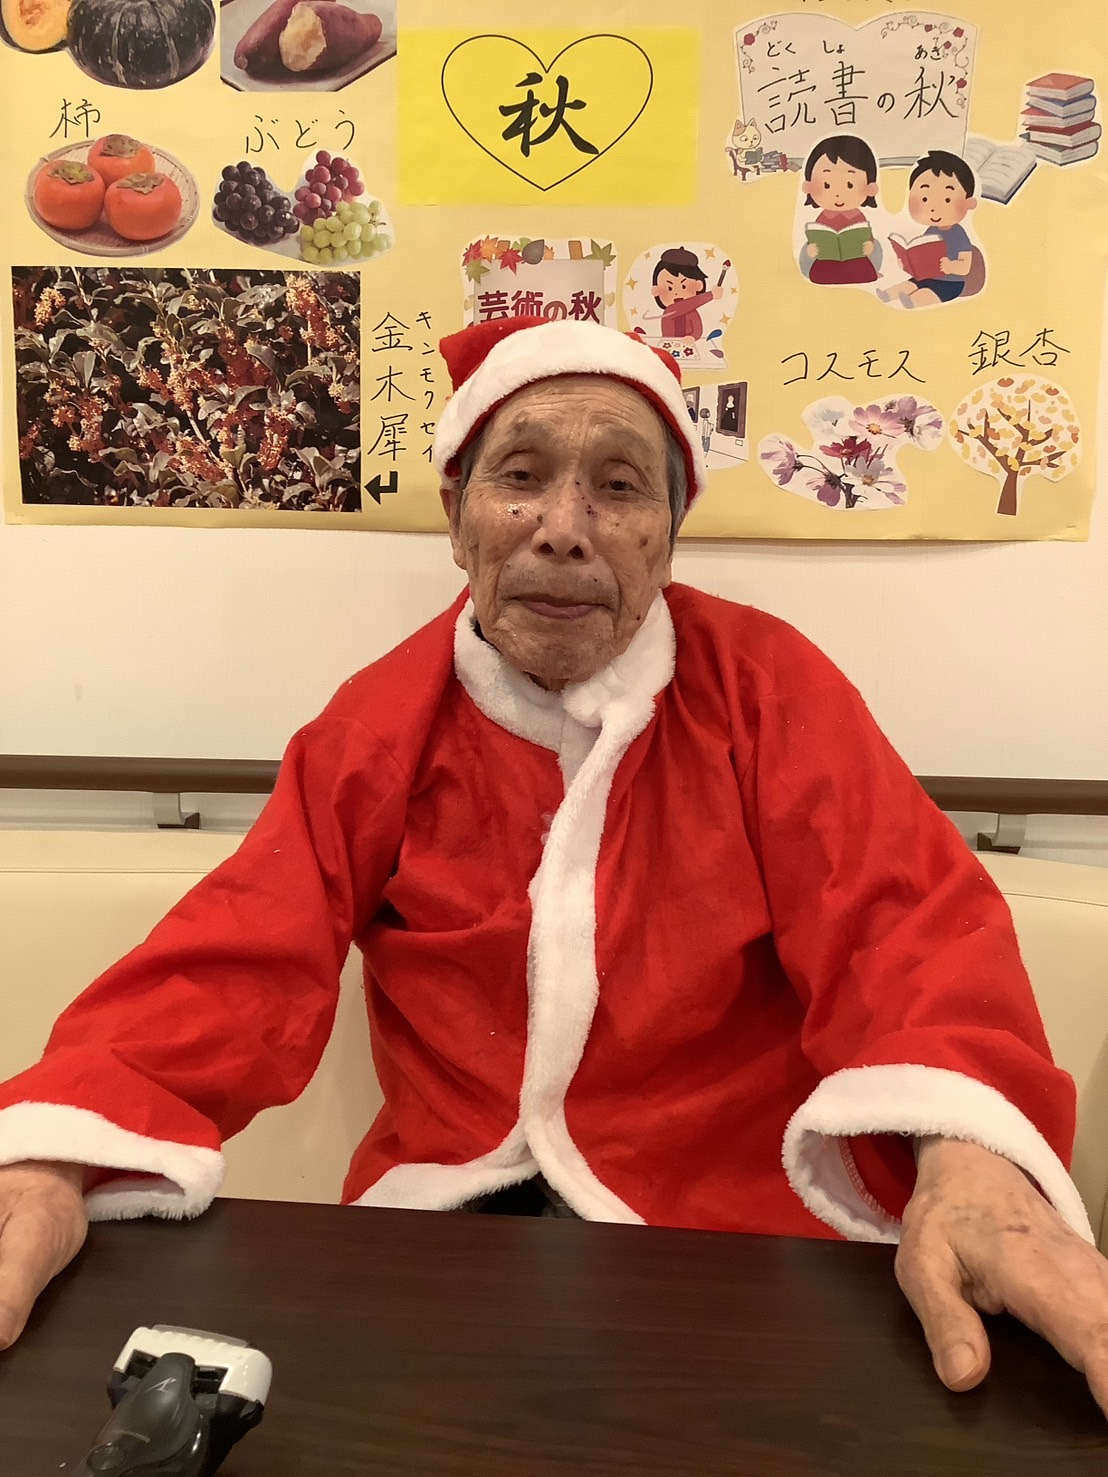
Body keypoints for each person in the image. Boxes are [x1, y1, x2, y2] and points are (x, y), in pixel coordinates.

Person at [2, 318, 1108, 1419]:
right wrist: (50, 1156)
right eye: (520, 477)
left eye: (620, 488)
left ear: (669, 534)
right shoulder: (381, 725)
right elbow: (238, 953)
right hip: (446, 1226)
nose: (564, 531)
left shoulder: (768, 690)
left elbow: (904, 924)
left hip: (720, 1229)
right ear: (456, 517)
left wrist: (970, 1157)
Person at [878, 150, 979, 309]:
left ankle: (912, 301)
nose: (934, 208)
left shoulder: (958, 234)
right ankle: (887, 295)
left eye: (947, 199)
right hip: (928, 277)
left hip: (950, 283)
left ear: (968, 203)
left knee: (926, 293)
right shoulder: (932, 231)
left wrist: (950, 266)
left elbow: (965, 267)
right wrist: (908, 264)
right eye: (925, 198)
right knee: (909, 284)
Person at [801, 135, 880, 286]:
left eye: (850, 185)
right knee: (818, 274)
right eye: (827, 185)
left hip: (856, 261)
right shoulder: (823, 217)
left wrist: (869, 246)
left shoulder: (858, 216)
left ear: (869, 187)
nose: (838, 194)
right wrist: (811, 250)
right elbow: (815, 239)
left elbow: (868, 237)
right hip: (827, 263)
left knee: (864, 271)